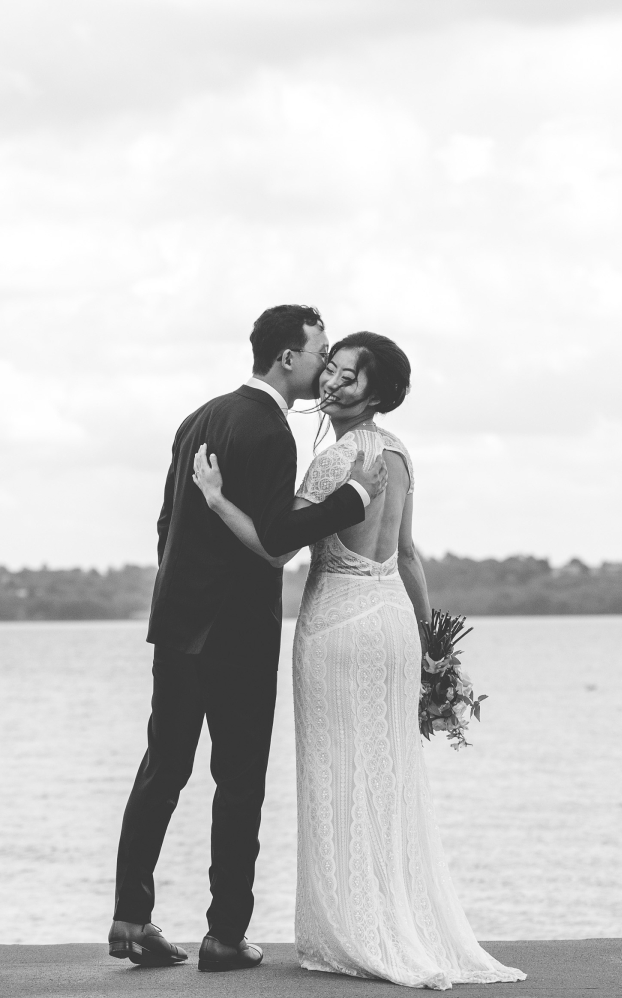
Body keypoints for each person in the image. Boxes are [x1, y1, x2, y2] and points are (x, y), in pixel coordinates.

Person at [192, 332, 526, 989]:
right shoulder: (398, 455)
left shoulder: (333, 463)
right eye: (333, 372)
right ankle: (394, 917)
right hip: (394, 620)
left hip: (337, 624)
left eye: (347, 379)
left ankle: (353, 929)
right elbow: (407, 555)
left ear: (375, 395)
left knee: (337, 770)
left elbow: (273, 548)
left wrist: (215, 497)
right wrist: (433, 642)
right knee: (386, 773)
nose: (331, 386)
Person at [109, 305, 389, 972]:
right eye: (320, 350)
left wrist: (182, 592)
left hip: (178, 623)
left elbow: (166, 523)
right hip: (236, 634)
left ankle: (128, 921)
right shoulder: (269, 432)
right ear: (287, 358)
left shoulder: (199, 417)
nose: (326, 363)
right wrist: (352, 498)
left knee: (162, 772)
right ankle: (225, 935)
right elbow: (275, 539)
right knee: (239, 783)